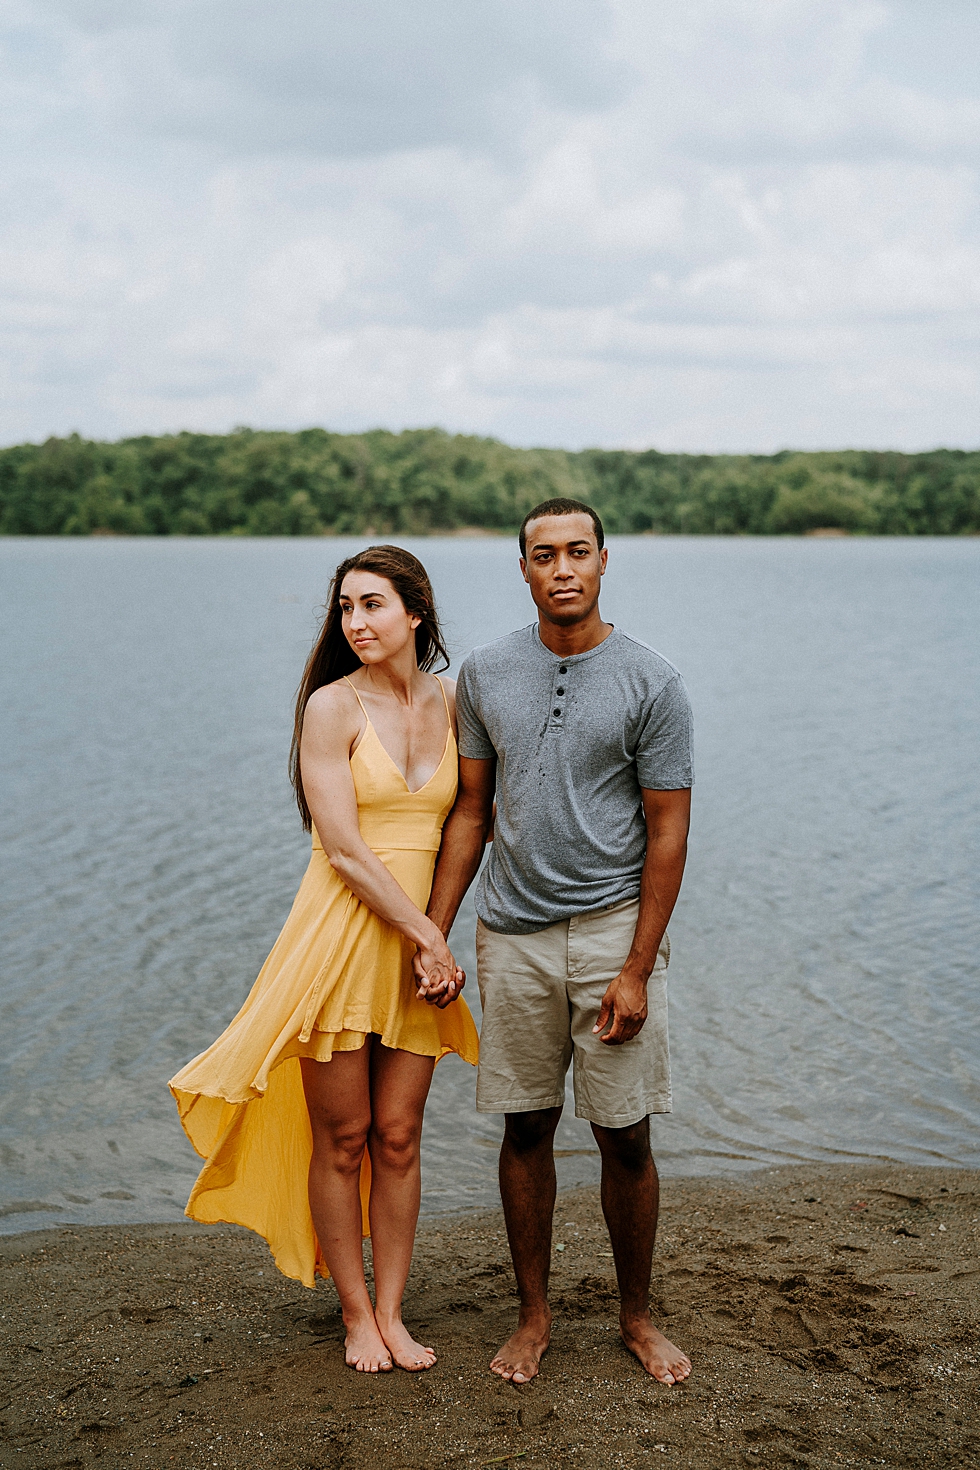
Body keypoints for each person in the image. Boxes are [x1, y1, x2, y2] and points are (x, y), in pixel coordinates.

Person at [170, 545, 478, 1376]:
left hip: (419, 943)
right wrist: (428, 936)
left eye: (372, 604)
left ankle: (391, 1309)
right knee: (343, 1139)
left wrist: (435, 931)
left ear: (416, 612)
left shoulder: (454, 704)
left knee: (401, 1135)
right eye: (345, 608)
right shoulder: (330, 709)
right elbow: (341, 846)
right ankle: (353, 1314)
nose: (355, 622)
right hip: (340, 940)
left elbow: (465, 825)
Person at [416, 498, 694, 1387]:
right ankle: (533, 1318)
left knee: (625, 1134)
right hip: (514, 934)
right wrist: (435, 929)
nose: (563, 568)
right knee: (526, 1123)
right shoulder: (489, 674)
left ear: (605, 561)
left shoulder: (653, 682)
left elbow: (668, 832)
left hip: (615, 931)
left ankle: (637, 1317)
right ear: (525, 569)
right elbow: (470, 811)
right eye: (545, 555)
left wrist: (638, 969)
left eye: (579, 551)